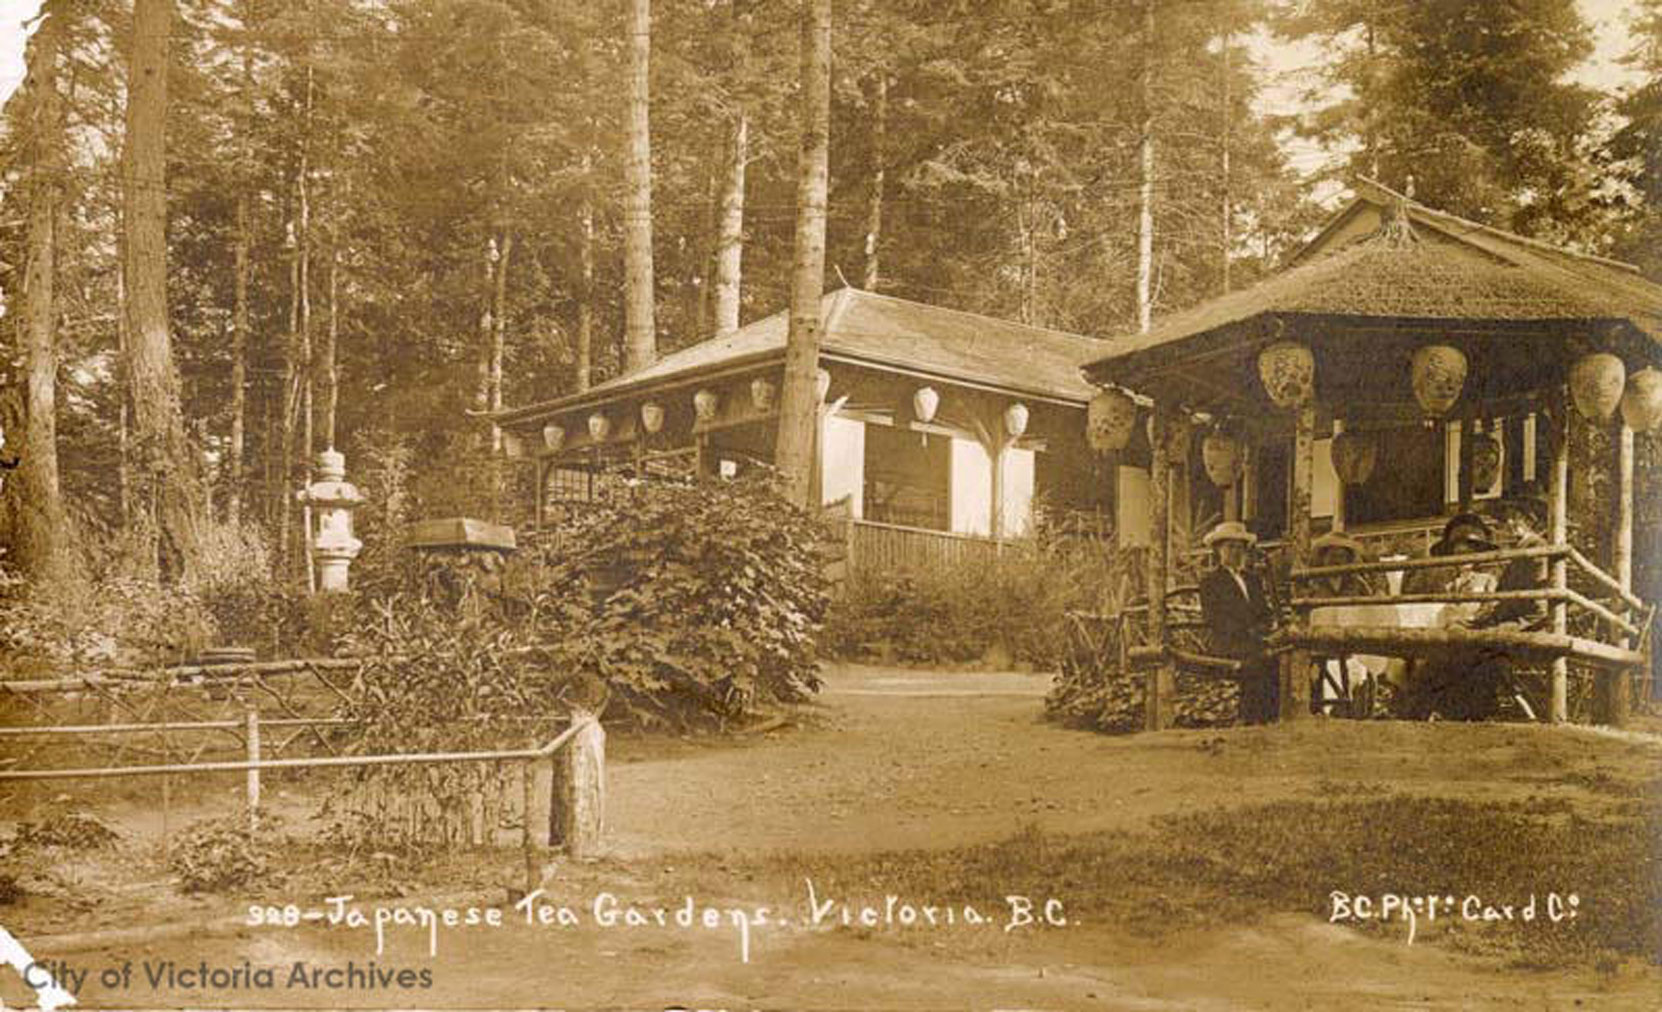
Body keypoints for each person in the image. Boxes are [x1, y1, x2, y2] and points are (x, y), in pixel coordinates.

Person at [1198, 521, 1279, 724]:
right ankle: (1250, 717)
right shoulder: (1211, 581)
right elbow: (1213, 618)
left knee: (1280, 656)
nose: (1235, 552)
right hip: (1226, 640)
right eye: (1230, 547)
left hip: (1254, 639)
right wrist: (1247, 631)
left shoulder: (1252, 579)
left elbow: (1264, 612)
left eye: (1239, 548)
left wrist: (1265, 626)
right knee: (1258, 661)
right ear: (1219, 550)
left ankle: (1270, 716)